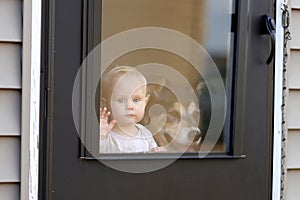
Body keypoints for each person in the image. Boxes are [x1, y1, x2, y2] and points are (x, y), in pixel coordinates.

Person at [99, 66, 165, 153]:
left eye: (136, 100)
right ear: (105, 104)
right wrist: (101, 136)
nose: (129, 106)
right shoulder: (107, 136)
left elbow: (153, 160)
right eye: (121, 100)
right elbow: (96, 159)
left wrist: (158, 153)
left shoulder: (145, 134)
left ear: (145, 102)